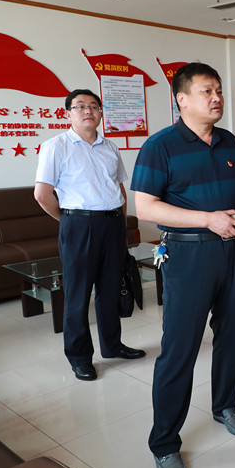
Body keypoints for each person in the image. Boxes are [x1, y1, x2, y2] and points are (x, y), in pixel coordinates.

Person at [130, 63, 235, 468]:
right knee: (180, 349)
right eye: (207, 91)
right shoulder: (160, 146)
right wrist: (207, 220)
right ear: (182, 99)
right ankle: (165, 442)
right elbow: (145, 207)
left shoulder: (228, 140)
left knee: (234, 336)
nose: (217, 97)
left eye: (219, 90)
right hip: (187, 256)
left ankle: (226, 406)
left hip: (234, 251)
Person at [34, 89, 145, 382]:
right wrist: (69, 221)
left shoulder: (110, 147)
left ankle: (112, 345)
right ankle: (80, 358)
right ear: (68, 113)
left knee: (111, 288)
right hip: (79, 225)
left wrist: (120, 223)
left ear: (100, 113)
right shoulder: (55, 146)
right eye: (80, 106)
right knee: (78, 294)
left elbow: (119, 189)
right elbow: (42, 194)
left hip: (113, 224)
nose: (88, 111)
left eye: (94, 106)